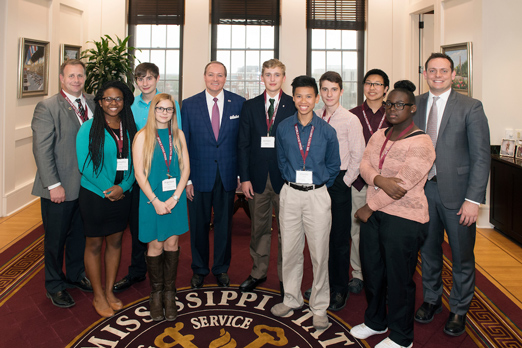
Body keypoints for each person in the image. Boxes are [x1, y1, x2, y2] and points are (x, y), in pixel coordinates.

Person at [350, 80, 435, 348]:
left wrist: (369, 206)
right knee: (373, 272)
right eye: (389, 104)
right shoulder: (379, 135)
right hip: (374, 217)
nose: (392, 109)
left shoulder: (422, 141)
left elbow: (403, 185)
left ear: (412, 108)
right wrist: (379, 179)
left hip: (404, 219)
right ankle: (376, 321)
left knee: (399, 280)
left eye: (399, 105)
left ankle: (401, 337)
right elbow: (364, 164)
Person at [413, 53, 490, 337]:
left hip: (458, 198)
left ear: (453, 74)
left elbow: (481, 157)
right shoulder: (416, 103)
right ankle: (432, 299)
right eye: (432, 70)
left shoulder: (471, 107)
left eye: (443, 71)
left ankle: (459, 308)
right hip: (423, 192)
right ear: (424, 73)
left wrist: (473, 200)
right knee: (429, 251)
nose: (437, 75)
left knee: (461, 256)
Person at [270, 75, 340, 331]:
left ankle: (319, 306)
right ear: (293, 97)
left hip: (317, 195)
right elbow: (281, 161)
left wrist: (318, 186)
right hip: (289, 193)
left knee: (320, 254)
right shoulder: (284, 127)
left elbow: (333, 166)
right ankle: (291, 298)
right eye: (298, 96)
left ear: (316, 98)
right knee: (289, 249)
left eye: (309, 96)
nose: (303, 101)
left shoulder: (327, 131)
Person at [114, 62, 182, 293]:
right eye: (140, 78)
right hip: (139, 175)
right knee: (140, 225)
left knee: (168, 230)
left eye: (149, 78)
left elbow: (177, 141)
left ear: (157, 79)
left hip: (166, 173)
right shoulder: (130, 107)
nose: (145, 83)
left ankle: (165, 282)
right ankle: (137, 270)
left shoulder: (170, 105)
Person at [31, 59, 93, 308]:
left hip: (86, 187)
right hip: (59, 187)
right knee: (55, 239)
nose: (76, 80)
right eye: (71, 76)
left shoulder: (91, 103)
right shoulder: (47, 107)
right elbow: (42, 150)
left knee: (79, 235)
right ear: (61, 78)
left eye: (80, 75)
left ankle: (75, 275)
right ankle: (54, 285)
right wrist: (53, 184)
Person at [303, 71, 365, 311]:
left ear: (341, 91)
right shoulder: (315, 116)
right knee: (318, 238)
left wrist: (345, 182)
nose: (329, 94)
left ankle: (339, 289)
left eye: (334, 89)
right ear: (320, 93)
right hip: (317, 182)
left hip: (339, 182)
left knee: (338, 239)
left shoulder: (350, 120)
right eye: (325, 90)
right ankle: (320, 284)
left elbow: (358, 156)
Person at [181, 61, 246, 288]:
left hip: (227, 176)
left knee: (224, 226)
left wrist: (240, 175)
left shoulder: (238, 103)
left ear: (225, 78)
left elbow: (241, 143)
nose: (215, 79)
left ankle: (221, 269)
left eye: (220, 75)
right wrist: (186, 179)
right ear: (204, 76)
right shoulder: (188, 105)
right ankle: (199, 269)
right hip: (198, 176)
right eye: (211, 74)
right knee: (198, 226)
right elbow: (184, 144)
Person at [76, 81, 138, 317]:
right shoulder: (88, 128)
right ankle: (98, 296)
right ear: (100, 102)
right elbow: (85, 164)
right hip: (94, 196)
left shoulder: (131, 128)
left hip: (123, 195)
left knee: (115, 242)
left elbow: (136, 162)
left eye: (118, 99)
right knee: (94, 245)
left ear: (125, 102)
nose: (113, 103)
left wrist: (124, 187)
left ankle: (110, 291)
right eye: (108, 99)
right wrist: (108, 189)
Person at [237, 59, 296, 294]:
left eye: (277, 74)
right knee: (259, 229)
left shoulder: (293, 105)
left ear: (284, 78)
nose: (272, 79)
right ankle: (258, 272)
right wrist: (245, 178)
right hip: (257, 178)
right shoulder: (249, 106)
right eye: (268, 74)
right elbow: (242, 144)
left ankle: (285, 277)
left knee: (287, 231)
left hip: (286, 179)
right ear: (262, 77)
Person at [133, 93, 189, 321]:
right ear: (153, 110)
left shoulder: (178, 135)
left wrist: (175, 198)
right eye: (160, 108)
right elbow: (139, 173)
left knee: (172, 242)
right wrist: (156, 202)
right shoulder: (142, 136)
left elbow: (186, 169)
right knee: (155, 245)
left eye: (169, 109)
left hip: (175, 198)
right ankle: (156, 294)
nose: (165, 113)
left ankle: (169, 292)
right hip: (151, 200)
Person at [348, 68, 391, 295]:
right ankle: (358, 273)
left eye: (378, 84)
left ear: (386, 89)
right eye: (368, 83)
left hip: (385, 184)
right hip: (358, 182)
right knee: (357, 231)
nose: (372, 87)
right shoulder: (352, 114)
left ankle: (381, 271)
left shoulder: (394, 114)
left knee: (384, 230)